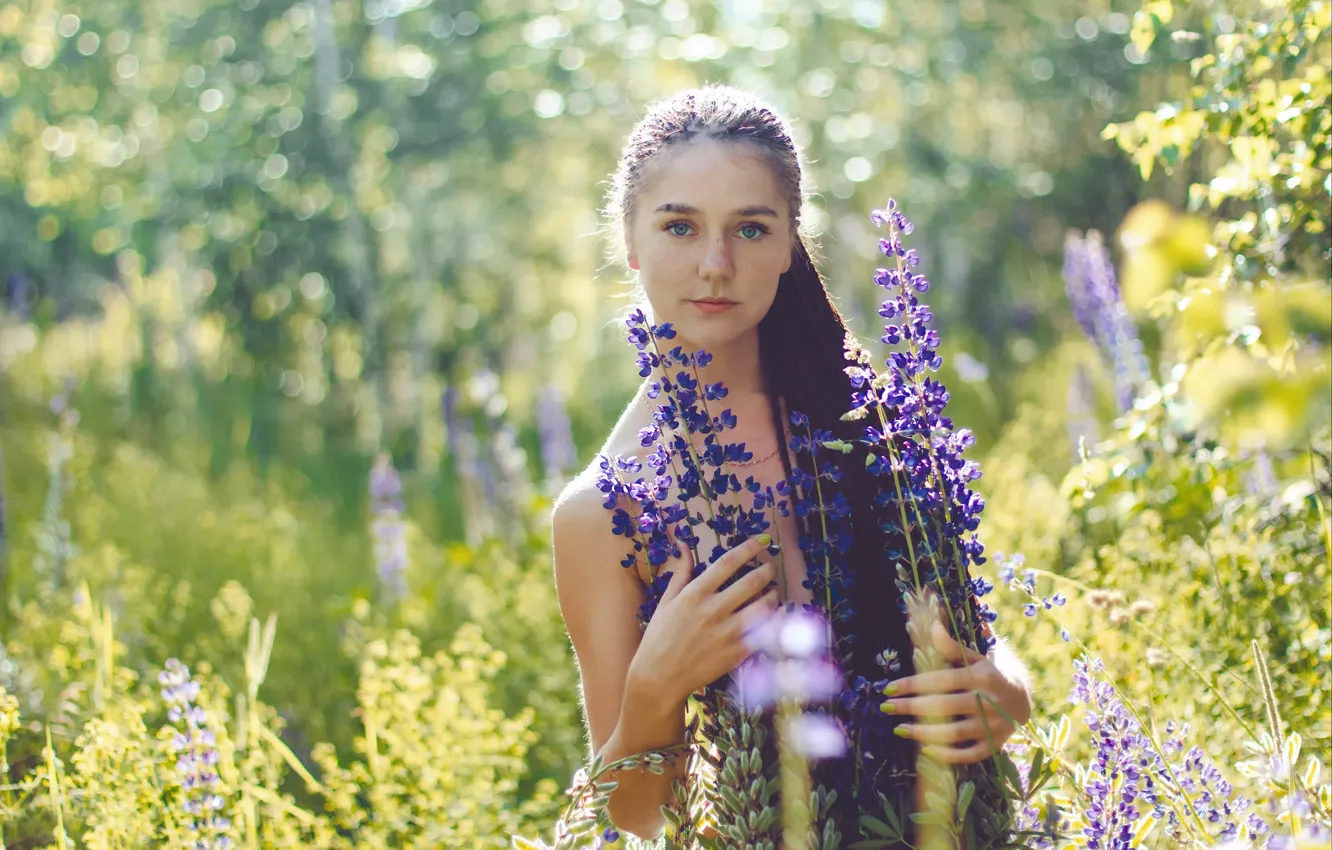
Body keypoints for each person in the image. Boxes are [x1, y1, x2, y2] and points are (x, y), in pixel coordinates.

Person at [552, 85, 1033, 842]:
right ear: (632, 241)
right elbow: (634, 813)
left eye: (749, 229)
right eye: (680, 226)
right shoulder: (602, 514)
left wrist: (1008, 688)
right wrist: (656, 685)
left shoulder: (865, 423)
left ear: (787, 245)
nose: (715, 265)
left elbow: (969, 638)